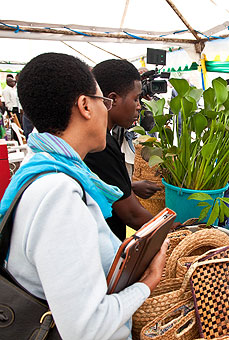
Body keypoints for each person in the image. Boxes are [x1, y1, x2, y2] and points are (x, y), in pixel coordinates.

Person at [1, 52, 167, 339]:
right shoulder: (58, 194)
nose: (107, 109)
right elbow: (87, 328)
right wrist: (147, 283)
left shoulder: (40, 166)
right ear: (85, 106)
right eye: (104, 101)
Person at [84, 59, 160, 241]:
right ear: (114, 99)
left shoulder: (102, 138)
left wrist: (129, 187)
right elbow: (132, 215)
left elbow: (98, 184)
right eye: (135, 98)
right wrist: (173, 230)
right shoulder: (100, 145)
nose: (139, 106)